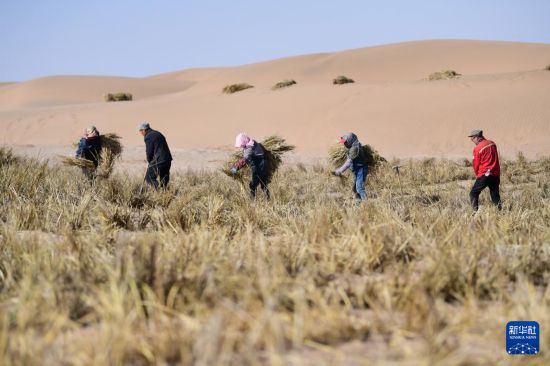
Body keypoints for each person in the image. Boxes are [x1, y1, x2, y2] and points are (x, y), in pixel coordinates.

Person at [468, 129, 502, 211]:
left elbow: (476, 164)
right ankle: (500, 212)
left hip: (485, 174)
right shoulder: (492, 143)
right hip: (495, 173)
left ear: (477, 137)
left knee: (473, 193)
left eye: (472, 139)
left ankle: (474, 213)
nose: (472, 141)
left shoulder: (477, 148)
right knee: (495, 194)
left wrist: (478, 175)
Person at [230, 133, 270, 199]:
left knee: (253, 185)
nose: (241, 146)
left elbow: (245, 160)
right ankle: (268, 199)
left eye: (241, 144)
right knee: (263, 184)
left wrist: (235, 168)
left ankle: (253, 200)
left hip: (258, 167)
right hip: (264, 165)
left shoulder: (249, 149)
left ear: (244, 141)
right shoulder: (253, 143)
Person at [333, 132, 368, 203]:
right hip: (357, 170)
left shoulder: (354, 148)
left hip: (360, 170)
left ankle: (366, 204)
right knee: (355, 189)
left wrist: (339, 171)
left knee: (359, 188)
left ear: (350, 140)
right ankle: (359, 203)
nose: (345, 144)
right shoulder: (353, 146)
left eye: (346, 142)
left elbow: (348, 162)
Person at [139, 122, 173, 189]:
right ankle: (165, 195)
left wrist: (150, 161)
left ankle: (159, 191)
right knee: (164, 180)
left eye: (140, 130)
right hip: (167, 160)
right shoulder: (157, 133)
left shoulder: (148, 137)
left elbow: (149, 152)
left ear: (144, 130)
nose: (140, 133)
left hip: (159, 160)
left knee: (149, 178)